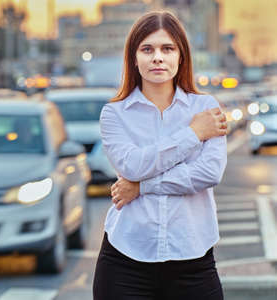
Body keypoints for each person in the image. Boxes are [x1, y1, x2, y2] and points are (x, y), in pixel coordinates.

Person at [93, 11, 228, 300]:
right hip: (125, 258)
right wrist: (193, 134)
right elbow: (132, 165)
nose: (157, 57)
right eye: (147, 49)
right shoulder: (115, 113)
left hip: (193, 257)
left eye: (167, 48)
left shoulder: (206, 107)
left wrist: (142, 187)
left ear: (181, 57)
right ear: (134, 58)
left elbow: (208, 174)